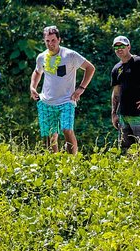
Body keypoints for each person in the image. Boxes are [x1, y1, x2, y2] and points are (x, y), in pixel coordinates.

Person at [30, 25, 95, 154]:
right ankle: (55, 162)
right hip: (46, 100)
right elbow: (37, 72)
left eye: (53, 40)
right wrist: (32, 87)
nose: (50, 44)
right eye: (47, 41)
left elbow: (90, 68)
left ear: (59, 40)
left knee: (67, 129)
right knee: (50, 135)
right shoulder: (41, 57)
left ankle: (72, 162)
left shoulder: (69, 55)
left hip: (66, 100)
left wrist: (81, 88)